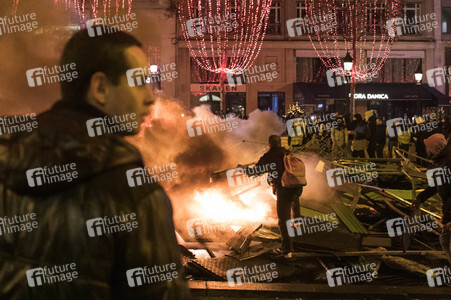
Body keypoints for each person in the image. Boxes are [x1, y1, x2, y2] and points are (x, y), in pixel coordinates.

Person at [0, 28, 188, 299]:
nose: (150, 97)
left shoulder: (7, 159)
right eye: (138, 82)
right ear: (100, 88)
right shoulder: (134, 194)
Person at [242, 135, 303, 258]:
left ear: (269, 144)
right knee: (294, 206)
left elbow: (254, 172)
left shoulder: (269, 156)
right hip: (297, 186)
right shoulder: (286, 153)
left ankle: (287, 251)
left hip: (284, 188)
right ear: (279, 143)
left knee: (283, 220)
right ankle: (299, 229)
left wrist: (243, 168)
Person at [413, 134, 451, 265]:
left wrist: (448, 217)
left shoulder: (447, 163)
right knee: (445, 240)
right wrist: (420, 198)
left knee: (447, 242)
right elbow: (436, 185)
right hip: (448, 208)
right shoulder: (441, 161)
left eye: (427, 147)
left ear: (433, 148)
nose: (425, 150)